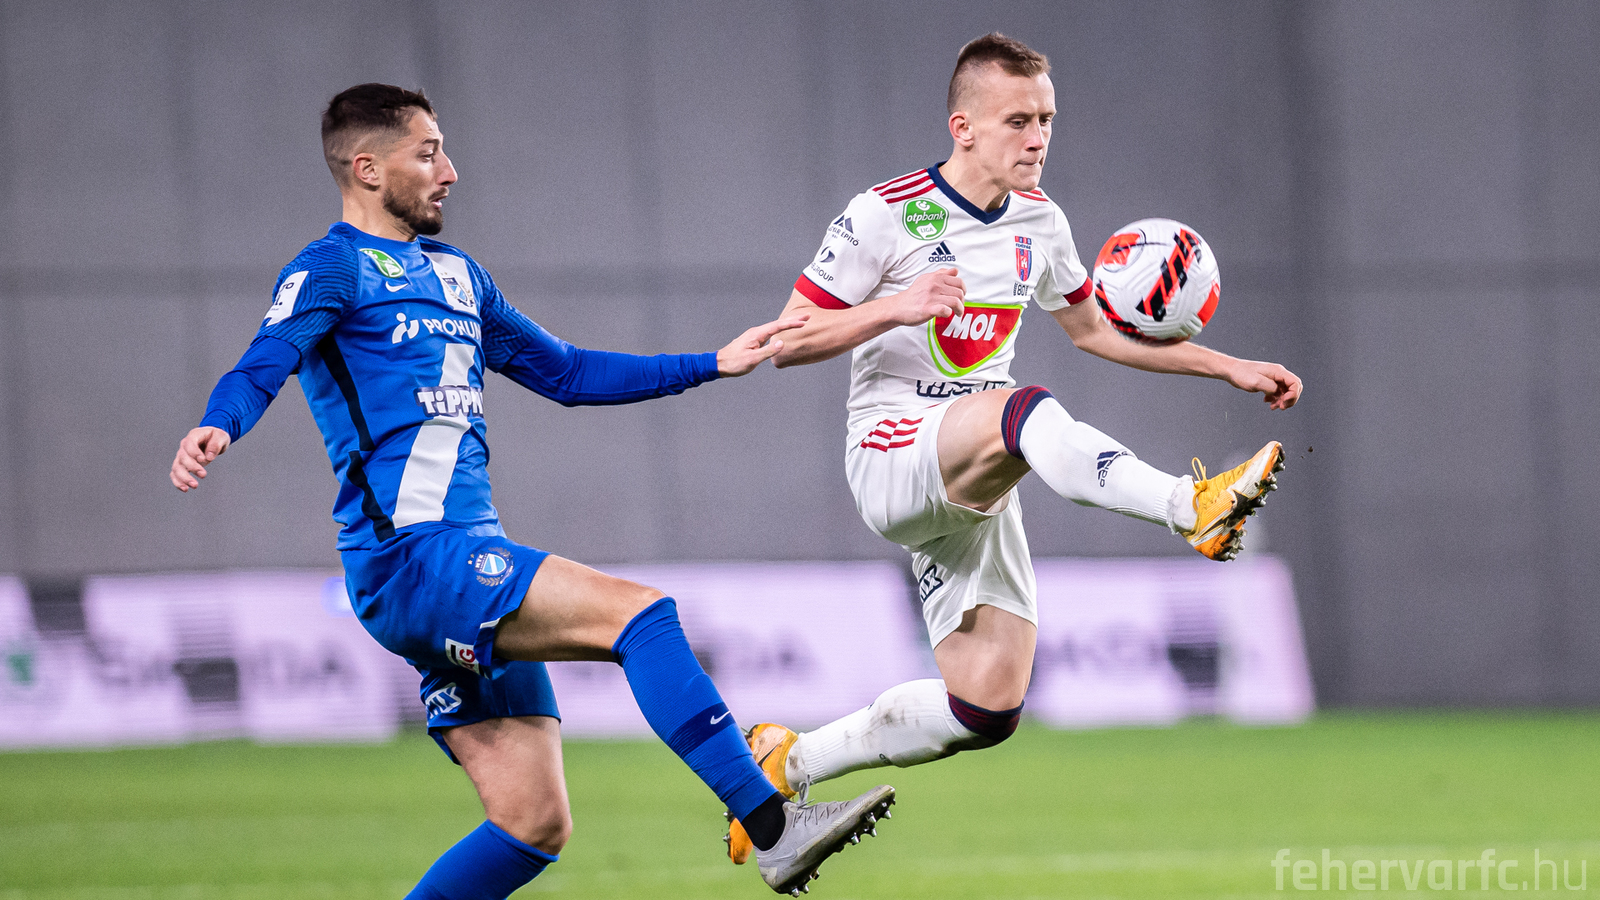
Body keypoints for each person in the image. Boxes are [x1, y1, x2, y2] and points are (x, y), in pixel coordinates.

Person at [168, 82, 892, 899]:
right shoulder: (333, 267)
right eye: (428, 153)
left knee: (532, 823)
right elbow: (267, 357)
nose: (449, 171)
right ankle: (773, 827)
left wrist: (709, 364)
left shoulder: (458, 275)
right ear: (367, 169)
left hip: (460, 557)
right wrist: (219, 422)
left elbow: (567, 373)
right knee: (640, 616)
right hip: (413, 559)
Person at [723, 33, 1302, 862]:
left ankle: (790, 761)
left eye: (1047, 121)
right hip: (893, 449)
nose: (1037, 139)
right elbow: (787, 339)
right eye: (1018, 121)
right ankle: (1190, 507)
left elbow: (1094, 331)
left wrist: (1229, 366)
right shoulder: (883, 214)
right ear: (963, 128)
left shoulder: (1041, 221)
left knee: (986, 707)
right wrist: (896, 307)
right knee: (1023, 410)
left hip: (979, 472)